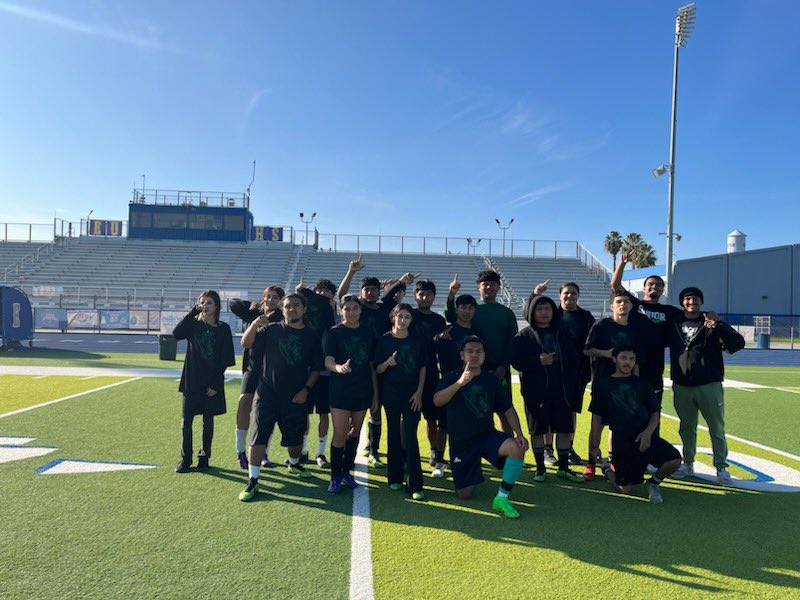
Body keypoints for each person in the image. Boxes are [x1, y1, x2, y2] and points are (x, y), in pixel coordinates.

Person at [238, 294, 324, 501]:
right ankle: (253, 481)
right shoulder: (271, 329)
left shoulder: (312, 336)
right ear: (282, 309)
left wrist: (305, 390)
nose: (291, 309)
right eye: (287, 306)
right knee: (258, 436)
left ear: (304, 309)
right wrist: (254, 325)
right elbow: (245, 343)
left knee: (293, 441)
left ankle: (294, 464)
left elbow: (316, 369)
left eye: (296, 305)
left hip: (295, 397)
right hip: (266, 394)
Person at [434, 336, 529, 519]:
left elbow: (507, 408)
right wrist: (461, 383)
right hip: (462, 441)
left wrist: (519, 433)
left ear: (484, 355)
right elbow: (437, 401)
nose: (474, 355)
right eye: (470, 351)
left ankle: (502, 498)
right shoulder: (452, 377)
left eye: (479, 352)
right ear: (462, 355)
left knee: (517, 447)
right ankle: (472, 469)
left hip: (486, 436)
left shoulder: (491, 380)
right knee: (464, 494)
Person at [667, 287, 745, 484]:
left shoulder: (711, 321)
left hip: (709, 384)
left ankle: (721, 467)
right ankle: (688, 463)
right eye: (687, 299)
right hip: (682, 384)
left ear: (701, 301)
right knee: (686, 426)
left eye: (695, 299)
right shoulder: (674, 322)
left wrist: (719, 324)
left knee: (716, 427)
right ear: (682, 302)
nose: (691, 302)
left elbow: (738, 344)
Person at [588, 345, 681, 504]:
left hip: (645, 439)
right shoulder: (604, 385)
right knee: (625, 489)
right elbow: (596, 419)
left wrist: (647, 433)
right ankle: (606, 469)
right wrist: (594, 446)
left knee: (675, 460)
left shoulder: (643, 384)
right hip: (623, 443)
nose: (628, 362)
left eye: (631, 359)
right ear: (615, 359)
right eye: (624, 358)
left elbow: (654, 413)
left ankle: (653, 483)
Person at [511, 294, 583, 483]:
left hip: (562, 392)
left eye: (547, 309)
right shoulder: (524, 335)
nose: (544, 313)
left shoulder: (563, 333)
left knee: (565, 430)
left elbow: (575, 360)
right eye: (539, 309)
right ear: (532, 312)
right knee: (538, 431)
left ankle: (564, 468)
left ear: (553, 311)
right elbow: (516, 362)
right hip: (536, 393)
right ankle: (540, 468)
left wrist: (575, 384)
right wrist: (538, 361)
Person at [383, 277, 449, 477]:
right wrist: (399, 283)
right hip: (406, 373)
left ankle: (437, 455)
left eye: (429, 294)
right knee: (408, 419)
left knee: (433, 417)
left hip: (430, 374)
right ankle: (404, 456)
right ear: (415, 295)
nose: (425, 297)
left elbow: (442, 348)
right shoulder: (408, 314)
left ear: (434, 297)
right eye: (421, 293)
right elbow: (387, 304)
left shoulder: (439, 320)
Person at [583, 291, 649, 480]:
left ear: (631, 306)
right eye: (619, 302)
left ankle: (614, 460)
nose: (623, 305)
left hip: (626, 387)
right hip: (603, 382)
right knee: (597, 424)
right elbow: (587, 350)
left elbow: (636, 359)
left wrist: (636, 383)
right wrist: (607, 353)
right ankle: (591, 462)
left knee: (618, 426)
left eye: (626, 302)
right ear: (612, 306)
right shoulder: (602, 325)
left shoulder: (635, 330)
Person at [530, 280, 595, 465]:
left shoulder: (586, 317)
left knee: (570, 411)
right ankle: (548, 450)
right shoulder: (553, 314)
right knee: (550, 411)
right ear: (560, 295)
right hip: (552, 372)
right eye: (566, 293)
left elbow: (592, 342)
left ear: (578, 296)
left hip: (576, 373)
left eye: (573, 293)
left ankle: (568, 448)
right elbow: (530, 315)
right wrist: (535, 294)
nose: (570, 296)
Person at [445, 271, 518, 434]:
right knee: (478, 409)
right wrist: (452, 293)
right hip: (474, 368)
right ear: (478, 286)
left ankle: (507, 449)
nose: (489, 287)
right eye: (485, 283)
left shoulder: (506, 312)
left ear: (499, 287)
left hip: (499, 369)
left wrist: (503, 366)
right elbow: (450, 316)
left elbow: (512, 342)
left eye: (493, 283)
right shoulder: (472, 308)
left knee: (504, 410)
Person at [338, 254, 392, 466]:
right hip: (358, 364)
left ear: (379, 292)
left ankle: (373, 448)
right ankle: (347, 448)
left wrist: (397, 282)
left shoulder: (384, 310)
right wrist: (351, 271)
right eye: (367, 289)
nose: (370, 292)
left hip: (380, 363)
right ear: (361, 294)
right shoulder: (355, 309)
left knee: (376, 407)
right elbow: (342, 295)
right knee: (355, 409)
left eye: (374, 289)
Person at [173, 291, 235, 473]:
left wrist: (215, 385)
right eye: (202, 302)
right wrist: (192, 312)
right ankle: (185, 459)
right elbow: (176, 334)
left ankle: (204, 457)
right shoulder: (192, 325)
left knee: (208, 421)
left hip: (211, 383)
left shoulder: (223, 328)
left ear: (216, 306)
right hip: (191, 381)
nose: (205, 305)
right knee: (187, 422)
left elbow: (226, 359)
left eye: (209, 302)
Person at [324, 295, 379, 494]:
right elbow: (328, 360)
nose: (351, 312)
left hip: (362, 389)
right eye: (347, 308)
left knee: (355, 432)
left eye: (355, 308)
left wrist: (374, 395)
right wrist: (338, 368)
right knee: (339, 433)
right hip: (340, 390)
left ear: (360, 310)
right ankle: (335, 476)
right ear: (341, 310)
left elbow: (372, 366)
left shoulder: (368, 333)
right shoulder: (335, 332)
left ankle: (347, 472)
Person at [229, 286, 284, 470]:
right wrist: (252, 308)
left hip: (272, 370)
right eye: (268, 297)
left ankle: (263, 452)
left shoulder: (281, 318)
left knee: (265, 413)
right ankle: (240, 451)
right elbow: (233, 303)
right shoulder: (255, 314)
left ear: (281, 301)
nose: (271, 300)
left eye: (275, 297)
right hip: (252, 368)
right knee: (244, 404)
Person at [375, 303, 426, 499]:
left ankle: (415, 484)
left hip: (412, 394)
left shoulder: (417, 340)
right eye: (400, 316)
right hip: (391, 393)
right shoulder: (384, 341)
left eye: (407, 317)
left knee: (411, 434)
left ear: (411, 320)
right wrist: (387, 363)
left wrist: (420, 391)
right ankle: (394, 477)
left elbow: (423, 367)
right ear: (393, 317)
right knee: (394, 432)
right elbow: (377, 369)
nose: (403, 320)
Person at [295, 278, 338, 467]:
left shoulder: (333, 312)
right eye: (319, 291)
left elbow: (337, 329)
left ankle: (321, 453)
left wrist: (333, 309)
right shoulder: (306, 311)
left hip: (326, 373)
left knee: (323, 413)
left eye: (327, 291)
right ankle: (303, 450)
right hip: (304, 370)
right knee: (303, 412)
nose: (323, 294)